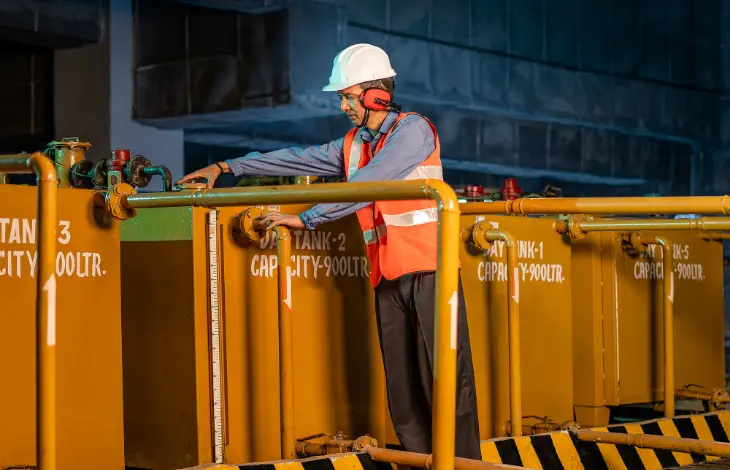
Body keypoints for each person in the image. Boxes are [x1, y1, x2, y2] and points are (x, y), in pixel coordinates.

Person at [177, 43, 482, 460]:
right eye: (341, 97)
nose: (343, 106)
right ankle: (418, 463)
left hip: (432, 272)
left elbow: (371, 183)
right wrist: (230, 167)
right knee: (403, 388)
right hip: (387, 274)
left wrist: (308, 218)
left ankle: (461, 465)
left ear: (377, 95)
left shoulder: (413, 132)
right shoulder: (355, 143)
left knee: (445, 381)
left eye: (347, 96)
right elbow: (302, 159)